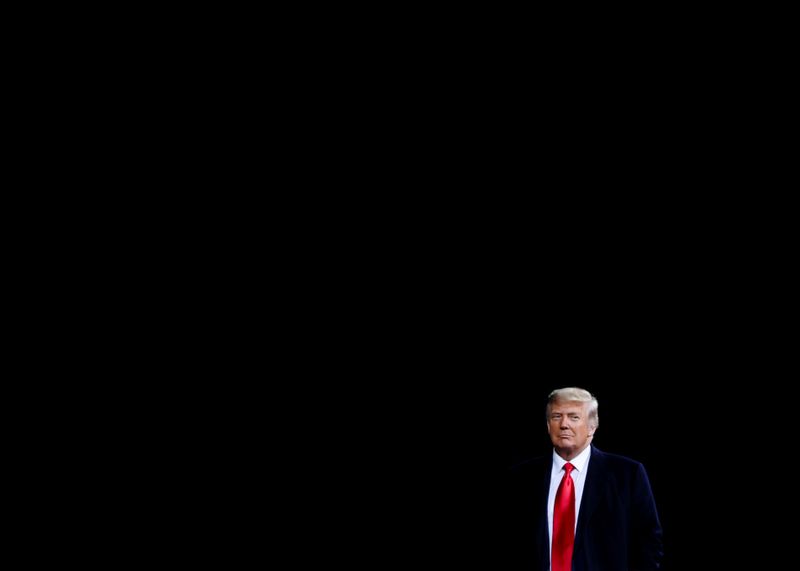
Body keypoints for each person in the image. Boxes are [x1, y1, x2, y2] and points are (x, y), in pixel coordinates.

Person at [507, 387, 663, 570]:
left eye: (574, 417)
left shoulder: (627, 475)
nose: (564, 424)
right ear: (548, 425)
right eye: (557, 416)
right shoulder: (520, 477)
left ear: (592, 427)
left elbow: (648, 544)